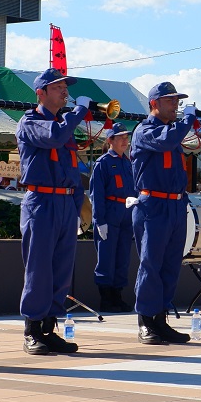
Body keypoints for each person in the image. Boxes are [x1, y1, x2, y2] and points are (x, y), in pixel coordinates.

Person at [16, 68, 90, 355]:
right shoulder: (31, 121)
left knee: (61, 271)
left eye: (65, 87)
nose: (64, 91)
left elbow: (71, 168)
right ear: (41, 92)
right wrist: (79, 111)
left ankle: (49, 327)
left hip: (64, 202)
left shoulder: (64, 124)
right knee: (39, 270)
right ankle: (32, 330)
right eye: (57, 87)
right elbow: (55, 137)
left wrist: (77, 205)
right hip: (42, 202)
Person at [131, 82, 197, 344]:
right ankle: (146, 322)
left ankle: (161, 319)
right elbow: (167, 140)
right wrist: (188, 119)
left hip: (174, 205)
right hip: (153, 205)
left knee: (170, 265)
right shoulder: (145, 130)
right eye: (170, 101)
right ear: (154, 104)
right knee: (151, 264)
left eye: (177, 101)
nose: (176, 105)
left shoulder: (172, 131)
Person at [89, 123, 136, 313]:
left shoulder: (128, 162)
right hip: (110, 212)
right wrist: (99, 220)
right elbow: (96, 195)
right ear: (110, 141)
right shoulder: (103, 163)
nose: (125, 141)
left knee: (122, 257)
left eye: (126, 137)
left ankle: (118, 295)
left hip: (126, 213)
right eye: (121, 138)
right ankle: (106, 298)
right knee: (107, 257)